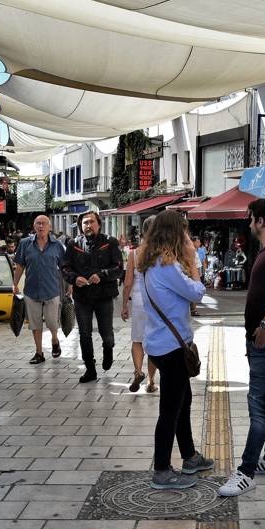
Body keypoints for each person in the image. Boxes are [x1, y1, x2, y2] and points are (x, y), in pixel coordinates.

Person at [220, 198, 265, 498]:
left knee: (258, 405)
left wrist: (263, 327)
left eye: (251, 217)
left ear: (262, 221)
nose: (248, 222)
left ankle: (246, 471)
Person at [138, 210, 212, 490]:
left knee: (182, 403)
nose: (188, 238)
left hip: (160, 344)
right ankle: (161, 470)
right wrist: (193, 262)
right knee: (170, 410)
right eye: (184, 232)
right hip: (172, 347)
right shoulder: (166, 267)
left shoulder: (149, 263)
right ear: (174, 234)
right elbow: (197, 293)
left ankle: (190, 456)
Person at [62, 211, 123, 383]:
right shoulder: (73, 244)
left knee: (107, 333)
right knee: (84, 334)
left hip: (104, 296)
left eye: (91, 222)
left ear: (98, 224)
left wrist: (102, 275)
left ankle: (108, 350)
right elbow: (65, 268)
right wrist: (75, 278)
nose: (88, 225)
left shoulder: (110, 242)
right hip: (82, 298)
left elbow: (118, 267)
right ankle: (90, 368)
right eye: (85, 223)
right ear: (81, 226)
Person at [11, 214, 66, 364]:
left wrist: (70, 285)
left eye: (43, 224)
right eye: (38, 224)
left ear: (50, 227)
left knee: (52, 322)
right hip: (31, 290)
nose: (41, 226)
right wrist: (15, 283)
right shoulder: (25, 243)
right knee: (35, 324)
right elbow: (20, 266)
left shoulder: (57, 245)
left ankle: (55, 340)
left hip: (52, 290)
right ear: (34, 227)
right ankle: (39, 353)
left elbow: (65, 268)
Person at [121, 216, 158, 394]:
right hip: (157, 300)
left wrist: (123, 306)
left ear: (142, 232)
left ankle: (138, 371)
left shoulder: (134, 254)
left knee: (137, 339)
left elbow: (128, 282)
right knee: (153, 341)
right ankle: (151, 382)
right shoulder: (163, 254)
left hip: (138, 299)